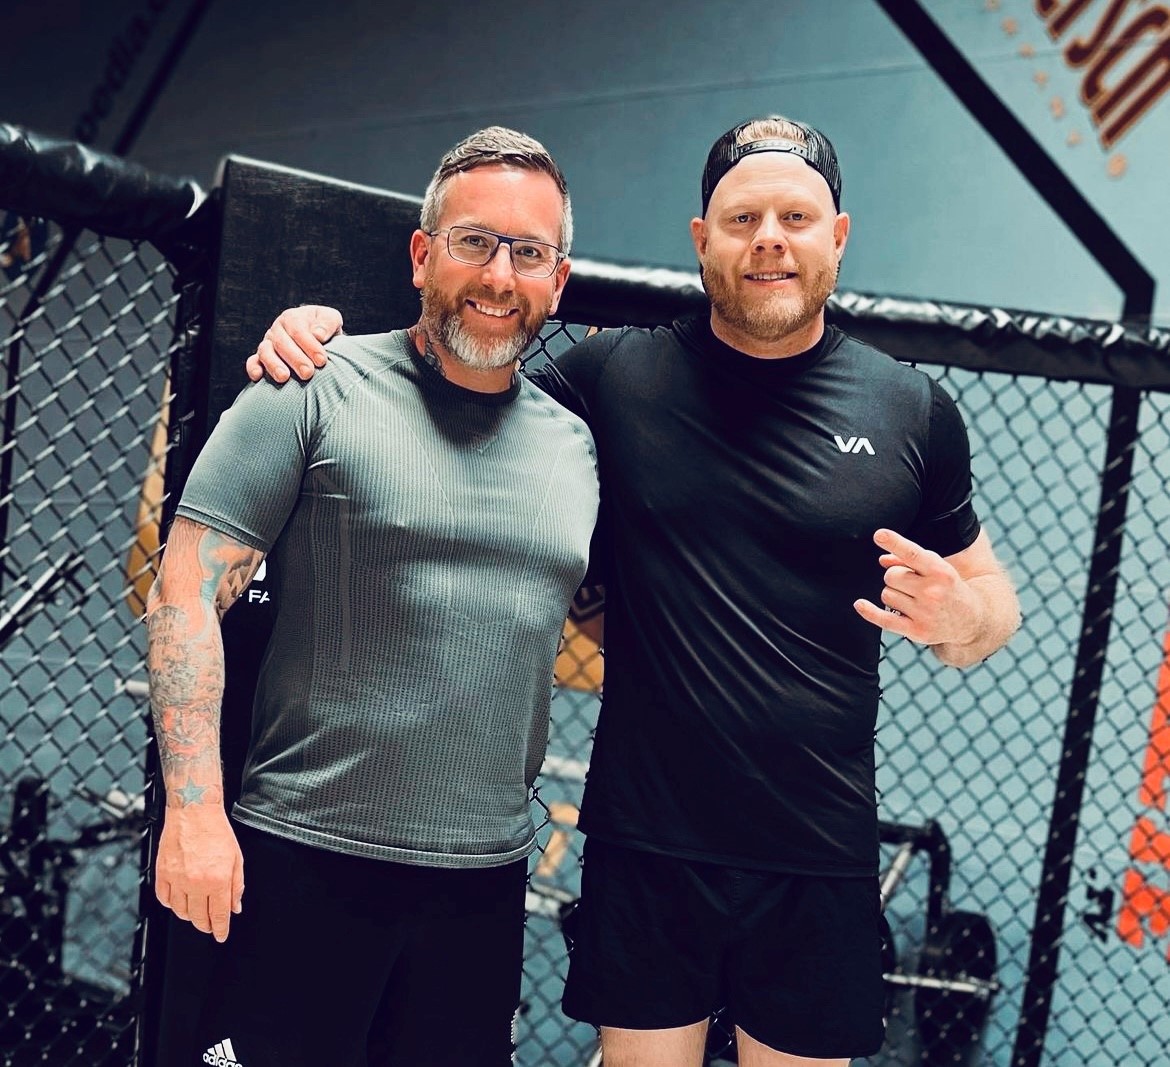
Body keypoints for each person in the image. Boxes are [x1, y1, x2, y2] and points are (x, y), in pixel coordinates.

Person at [249, 115, 1021, 1067]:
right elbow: (453, 372)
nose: (769, 239)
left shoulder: (911, 409)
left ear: (838, 235)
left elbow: (992, 604)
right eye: (742, 219)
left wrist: (964, 616)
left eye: (794, 217)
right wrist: (318, 333)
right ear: (702, 239)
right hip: (647, 841)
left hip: (816, 851)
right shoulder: (612, 378)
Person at [145, 126, 599, 1067]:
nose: (499, 274)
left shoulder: (578, 448)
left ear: (557, 281)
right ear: (423, 255)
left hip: (481, 889)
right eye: (474, 241)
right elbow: (185, 592)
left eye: (528, 252)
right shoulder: (310, 385)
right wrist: (193, 811)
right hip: (302, 861)